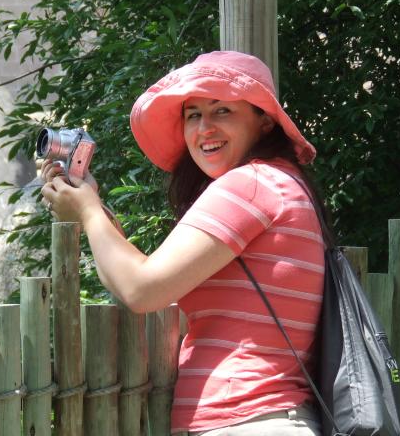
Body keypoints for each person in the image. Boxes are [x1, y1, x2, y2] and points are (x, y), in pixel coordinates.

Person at [41, 50, 331, 435]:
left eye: (222, 111)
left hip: (247, 421)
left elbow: (141, 290)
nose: (204, 128)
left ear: (264, 121)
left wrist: (89, 212)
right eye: (193, 115)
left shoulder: (251, 184)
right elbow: (144, 284)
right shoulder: (279, 183)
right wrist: (92, 210)